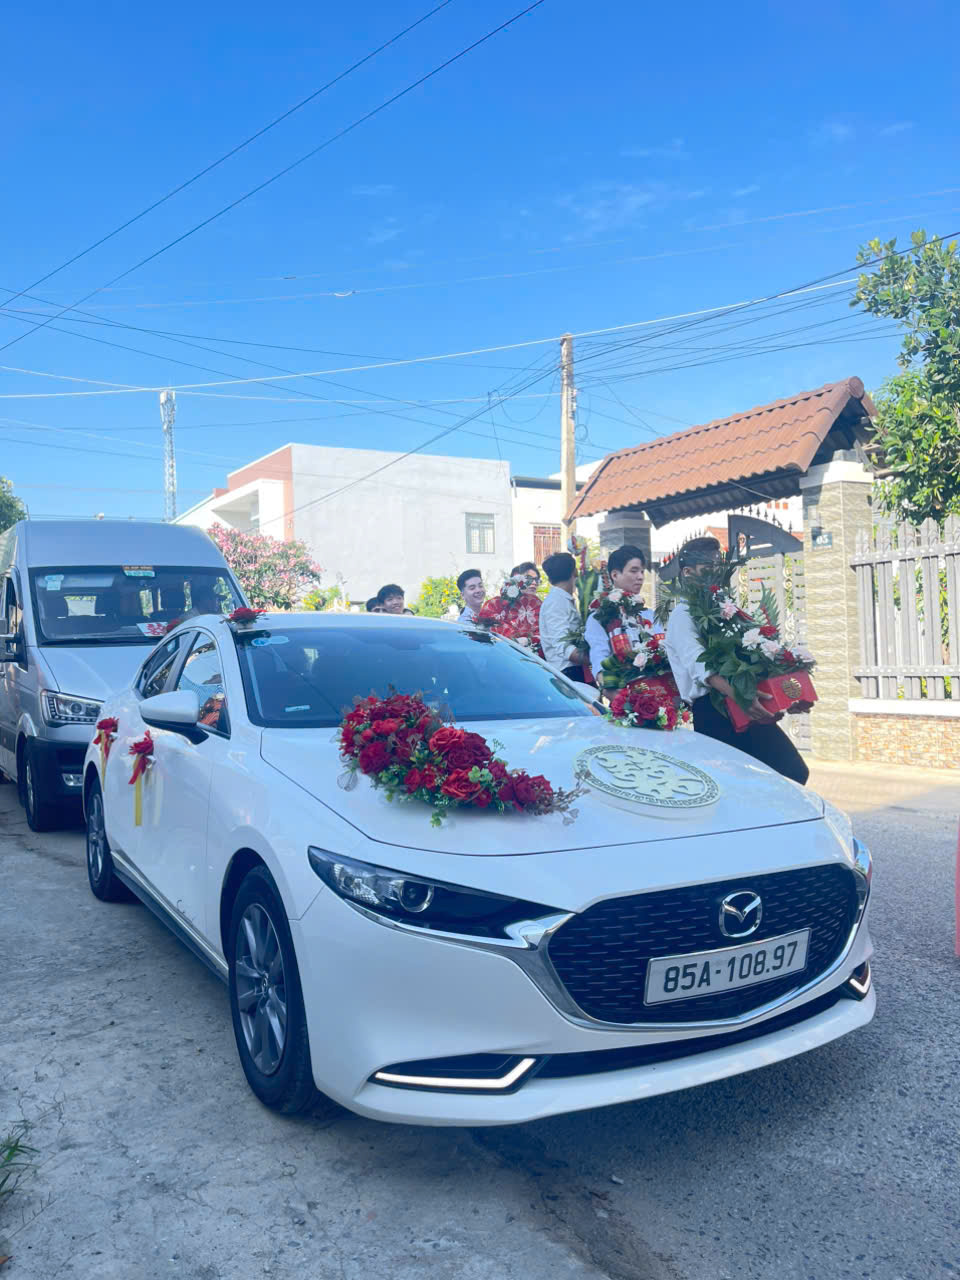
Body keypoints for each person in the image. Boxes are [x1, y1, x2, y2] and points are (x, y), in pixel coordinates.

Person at [664, 536, 809, 785]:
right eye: (708, 570)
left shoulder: (726, 609)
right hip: (714, 711)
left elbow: (755, 656)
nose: (717, 576)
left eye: (719, 568)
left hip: (742, 701)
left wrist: (786, 698)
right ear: (688, 573)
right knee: (733, 787)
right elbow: (702, 668)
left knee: (793, 772)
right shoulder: (682, 615)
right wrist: (742, 697)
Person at [584, 544, 656, 675]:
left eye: (642, 571)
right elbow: (599, 658)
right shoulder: (599, 618)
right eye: (634, 571)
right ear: (615, 575)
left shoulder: (650, 615)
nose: (640, 577)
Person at [539, 552, 589, 681]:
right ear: (574, 572)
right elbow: (563, 646)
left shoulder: (562, 599)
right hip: (567, 673)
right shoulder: (556, 602)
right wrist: (597, 658)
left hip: (575, 670)